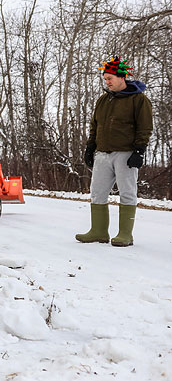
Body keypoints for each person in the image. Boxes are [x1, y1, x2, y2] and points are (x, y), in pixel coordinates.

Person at [75, 57, 153, 247]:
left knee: (127, 192)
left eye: (110, 78)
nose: (107, 82)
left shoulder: (138, 100)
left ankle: (125, 234)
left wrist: (139, 151)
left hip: (126, 153)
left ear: (121, 77)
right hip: (103, 153)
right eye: (105, 79)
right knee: (97, 192)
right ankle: (99, 231)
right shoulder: (103, 100)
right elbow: (95, 125)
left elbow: (145, 127)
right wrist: (90, 146)